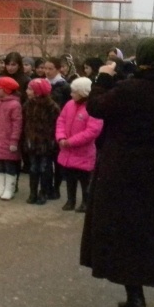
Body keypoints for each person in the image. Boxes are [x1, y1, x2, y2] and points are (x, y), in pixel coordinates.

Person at [79, 38, 154, 307]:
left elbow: (96, 106)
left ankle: (137, 301)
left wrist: (103, 77)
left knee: (128, 234)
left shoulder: (129, 90)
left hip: (125, 171)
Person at [55, 77, 103, 212]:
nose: (71, 94)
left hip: (83, 151)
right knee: (70, 177)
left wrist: (70, 142)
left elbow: (92, 131)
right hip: (67, 150)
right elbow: (61, 121)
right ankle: (71, 200)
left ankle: (86, 202)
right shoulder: (69, 105)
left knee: (84, 179)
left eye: (74, 92)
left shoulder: (92, 108)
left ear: (83, 93)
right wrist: (61, 137)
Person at [23, 78, 61, 205]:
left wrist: (53, 140)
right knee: (33, 167)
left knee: (45, 167)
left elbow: (57, 125)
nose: (27, 91)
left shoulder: (52, 107)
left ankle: (44, 192)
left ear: (38, 92)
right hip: (32, 141)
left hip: (46, 142)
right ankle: (33, 192)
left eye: (30, 89)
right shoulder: (28, 105)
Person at [0, 76, 22, 200]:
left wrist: (14, 141)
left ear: (6, 90)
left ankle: (9, 189)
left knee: (9, 165)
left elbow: (17, 125)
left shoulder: (15, 105)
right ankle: (0, 187)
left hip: (8, 141)